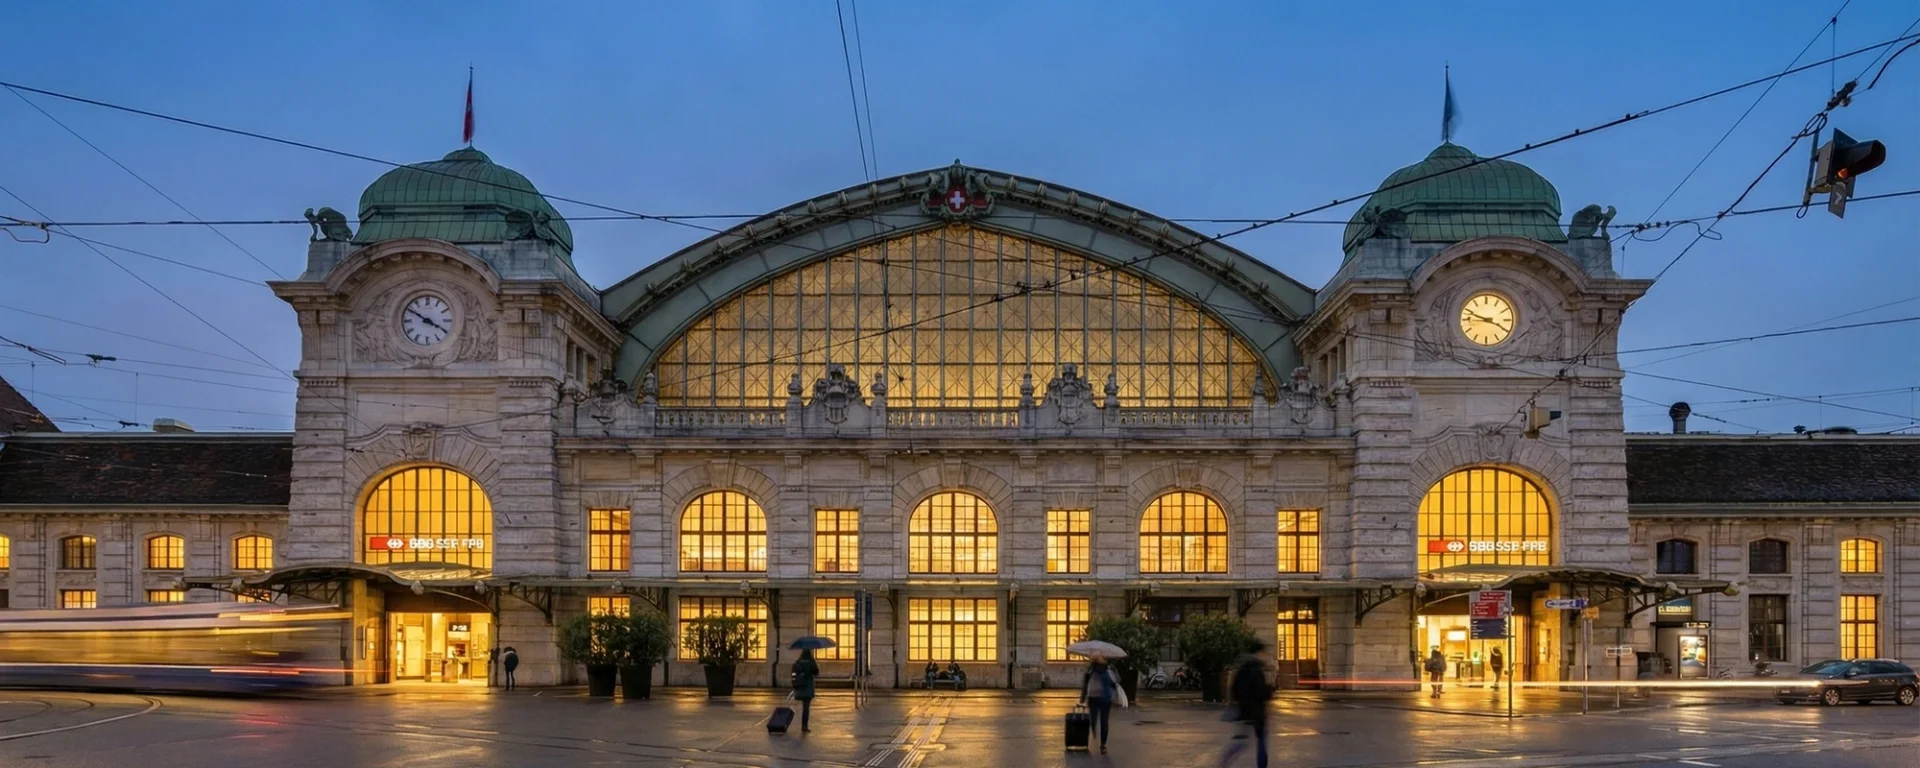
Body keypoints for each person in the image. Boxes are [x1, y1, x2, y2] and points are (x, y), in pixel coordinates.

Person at [1223, 642, 1273, 768]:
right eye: (1263, 653)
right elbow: (1262, 692)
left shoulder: (1242, 667)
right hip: (1257, 712)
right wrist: (1270, 685)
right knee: (1261, 741)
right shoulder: (1258, 669)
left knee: (1241, 741)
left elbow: (1234, 688)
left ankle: (1223, 762)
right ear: (1258, 653)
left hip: (1244, 710)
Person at [1079, 654, 1120, 754]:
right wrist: (1115, 671)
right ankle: (1103, 745)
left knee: (1093, 718)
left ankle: (1093, 732)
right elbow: (1116, 682)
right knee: (1104, 721)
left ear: (1093, 661)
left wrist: (1082, 698)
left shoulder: (1090, 670)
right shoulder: (1108, 669)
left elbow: (1085, 685)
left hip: (1093, 698)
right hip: (1105, 698)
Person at [792, 649, 820, 733]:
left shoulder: (798, 662)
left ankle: (802, 725)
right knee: (806, 707)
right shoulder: (811, 662)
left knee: (802, 706)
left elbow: (794, 674)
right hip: (808, 686)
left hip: (800, 686)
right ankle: (804, 726)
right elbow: (816, 672)